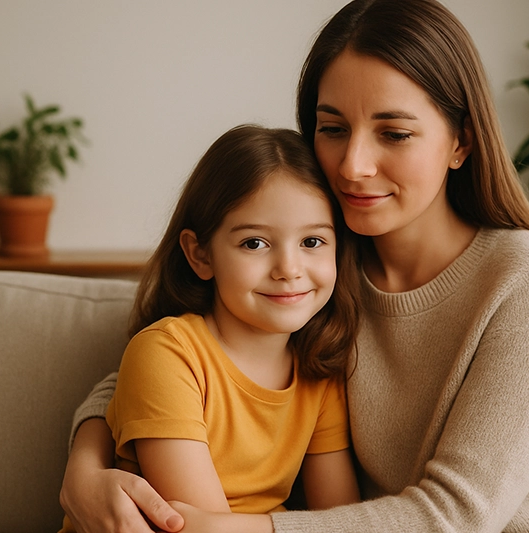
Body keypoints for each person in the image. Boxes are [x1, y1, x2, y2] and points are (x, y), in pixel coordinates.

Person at [60, 1, 529, 531]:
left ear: (461, 142)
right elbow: (170, 363)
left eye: (394, 133)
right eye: (333, 129)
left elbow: (459, 517)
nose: (353, 165)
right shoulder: (315, 266)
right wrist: (85, 470)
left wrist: (234, 529)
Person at [60, 125, 361, 532]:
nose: (289, 269)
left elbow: (341, 521)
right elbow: (194, 527)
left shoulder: (319, 372)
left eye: (312, 242)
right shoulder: (168, 354)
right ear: (200, 255)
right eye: (254, 243)